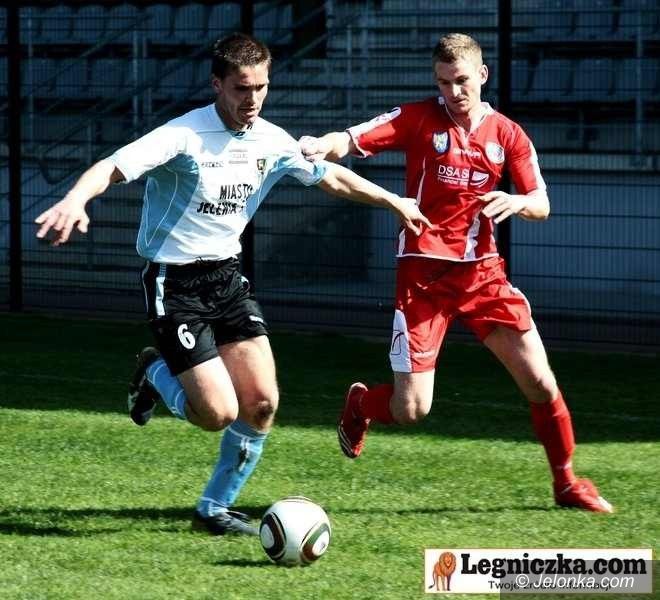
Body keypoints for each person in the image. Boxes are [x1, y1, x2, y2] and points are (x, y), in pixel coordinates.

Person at [34, 33, 431, 536]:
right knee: (217, 413)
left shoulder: (271, 139)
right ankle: (154, 371)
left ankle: (213, 509)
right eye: (242, 88)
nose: (253, 99)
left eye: (261, 87)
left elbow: (331, 177)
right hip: (174, 283)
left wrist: (393, 201)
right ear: (217, 84)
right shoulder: (183, 135)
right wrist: (76, 199)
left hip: (226, 279)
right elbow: (112, 167)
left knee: (262, 403)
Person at [300, 33, 612, 513]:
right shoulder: (418, 118)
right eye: (443, 82)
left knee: (540, 382)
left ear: (482, 75)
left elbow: (542, 203)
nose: (453, 91)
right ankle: (361, 405)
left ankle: (567, 483)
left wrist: (518, 201)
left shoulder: (508, 134)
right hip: (422, 278)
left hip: (484, 277)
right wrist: (320, 144)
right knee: (411, 410)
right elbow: (352, 138)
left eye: (462, 80)